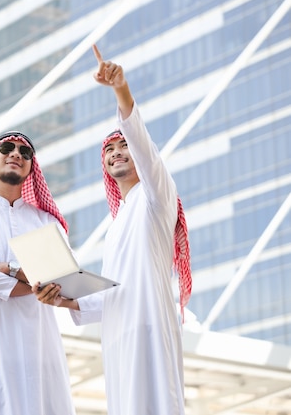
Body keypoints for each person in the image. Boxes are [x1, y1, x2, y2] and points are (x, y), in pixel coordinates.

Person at [33, 44, 192, 414]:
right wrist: (62, 295)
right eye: (110, 150)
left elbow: (146, 151)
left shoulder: (156, 197)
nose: (118, 152)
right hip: (119, 336)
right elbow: (109, 297)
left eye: (125, 146)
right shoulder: (117, 222)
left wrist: (122, 91)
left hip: (151, 329)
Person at [0, 131, 76, 415]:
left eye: (25, 152)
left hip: (41, 353)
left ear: (32, 166)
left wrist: (5, 268)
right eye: (7, 148)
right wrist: (35, 280)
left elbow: (64, 280)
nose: (16, 154)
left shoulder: (47, 222)